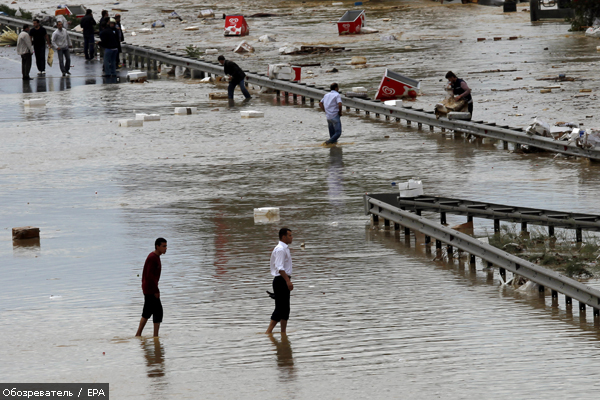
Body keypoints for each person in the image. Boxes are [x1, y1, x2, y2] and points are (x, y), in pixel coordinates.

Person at [136, 238, 167, 337]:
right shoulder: (153, 257)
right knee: (158, 311)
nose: (165, 248)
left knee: (147, 312)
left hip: (149, 288)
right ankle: (155, 336)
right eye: (163, 246)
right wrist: (156, 290)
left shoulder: (156, 257)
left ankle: (139, 334)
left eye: (166, 246)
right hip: (150, 289)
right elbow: (149, 276)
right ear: (157, 246)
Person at [266, 228, 294, 334]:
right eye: (290, 235)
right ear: (283, 237)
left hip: (284, 279)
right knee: (280, 309)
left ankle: (283, 334)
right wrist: (288, 281)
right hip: (281, 280)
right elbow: (279, 268)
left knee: (285, 310)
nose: (291, 237)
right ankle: (268, 333)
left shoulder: (285, 248)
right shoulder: (280, 249)